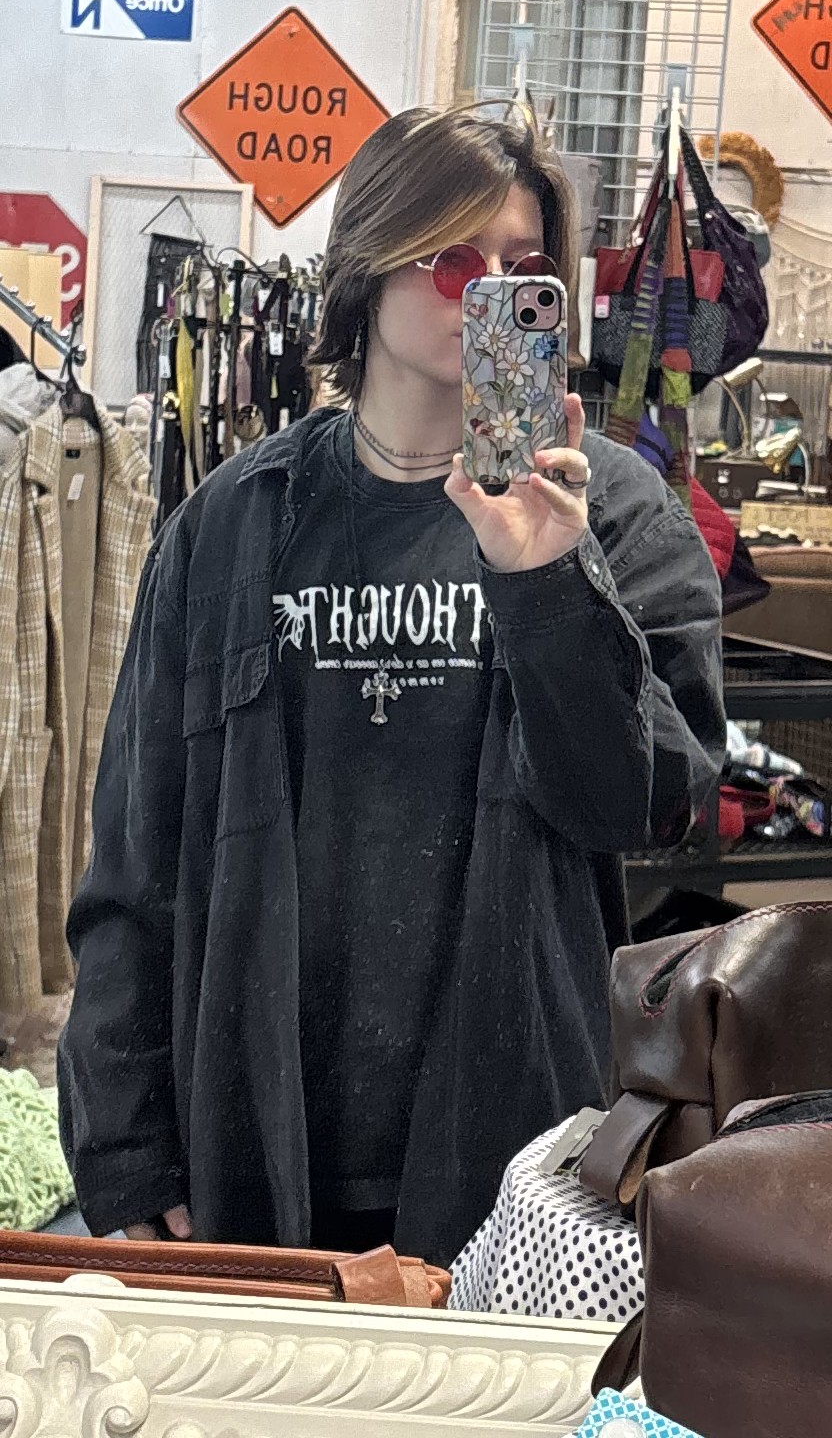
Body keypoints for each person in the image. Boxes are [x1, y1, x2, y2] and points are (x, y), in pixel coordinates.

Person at [58, 106, 725, 1267]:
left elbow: (650, 807)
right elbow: (135, 854)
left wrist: (549, 581)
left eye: (524, 270)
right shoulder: (231, 524)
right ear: (368, 262)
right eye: (455, 261)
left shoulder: (613, 517)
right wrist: (124, 1138)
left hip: (520, 1155)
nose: (489, 295)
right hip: (251, 1136)